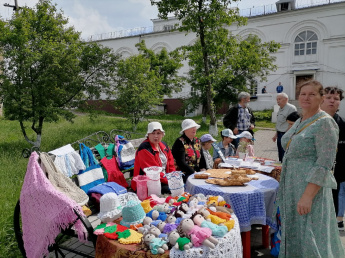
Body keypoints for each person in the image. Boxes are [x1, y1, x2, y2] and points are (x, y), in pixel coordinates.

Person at [275, 80, 344, 257]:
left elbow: (324, 164)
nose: (306, 97)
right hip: (292, 187)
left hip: (310, 190)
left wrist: (307, 197)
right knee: (295, 232)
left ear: (321, 98)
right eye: (303, 94)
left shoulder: (325, 123)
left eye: (312, 94)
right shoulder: (300, 120)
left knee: (310, 234)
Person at [320, 86, 345, 231]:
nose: (332, 101)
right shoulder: (311, 120)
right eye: (328, 97)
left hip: (336, 175)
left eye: (336, 98)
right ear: (322, 99)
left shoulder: (343, 125)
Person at [132, 122, 175, 194]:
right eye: (153, 133)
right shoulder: (144, 149)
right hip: (146, 184)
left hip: (163, 179)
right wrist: (170, 181)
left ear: (162, 134)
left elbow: (171, 164)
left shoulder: (164, 145)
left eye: (158, 133)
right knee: (173, 191)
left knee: (179, 186)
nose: (156, 136)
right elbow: (154, 172)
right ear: (148, 135)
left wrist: (173, 177)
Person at [272, 93, 297, 162]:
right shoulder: (281, 108)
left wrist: (286, 135)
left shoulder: (291, 108)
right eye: (277, 99)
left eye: (279, 99)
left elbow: (292, 123)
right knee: (280, 153)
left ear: (286, 99)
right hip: (280, 134)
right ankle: (280, 169)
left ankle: (284, 169)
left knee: (285, 154)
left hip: (286, 134)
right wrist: (276, 135)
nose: (278, 101)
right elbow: (280, 123)